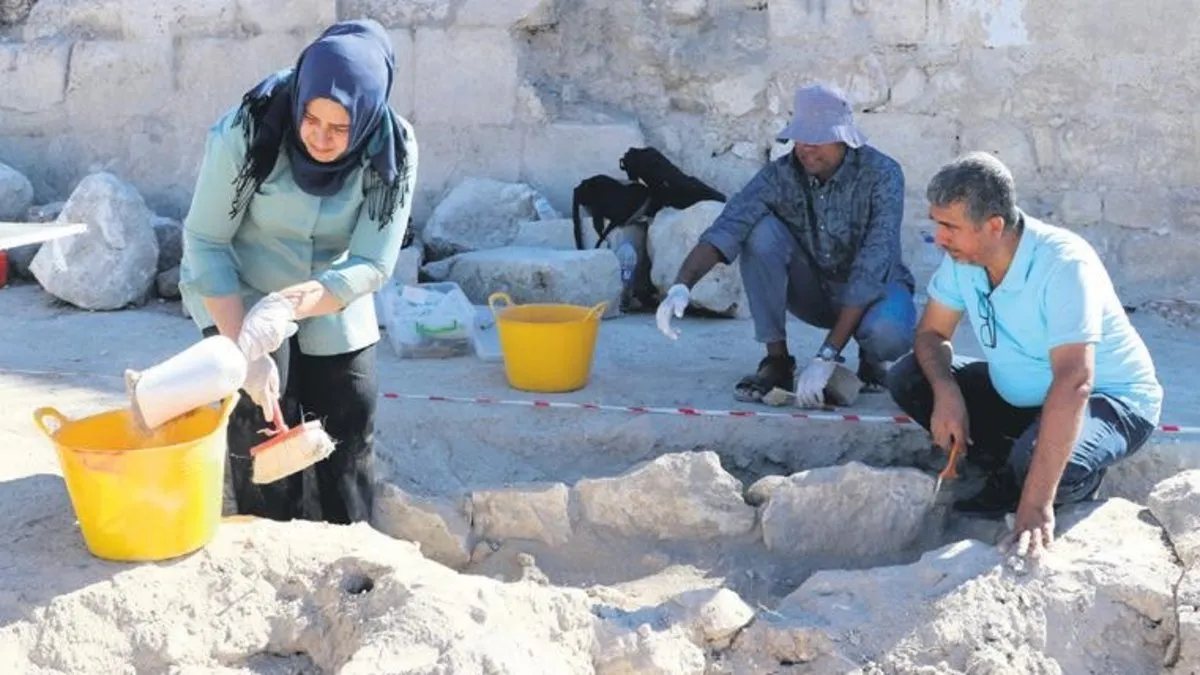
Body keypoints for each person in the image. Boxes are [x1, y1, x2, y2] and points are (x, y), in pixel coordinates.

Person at [178, 19, 418, 525]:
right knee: (260, 410)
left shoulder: (392, 148)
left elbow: (373, 262)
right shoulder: (248, 129)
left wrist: (291, 303)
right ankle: (266, 534)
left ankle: (348, 540)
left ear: (368, 120)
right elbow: (206, 240)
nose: (321, 140)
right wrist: (245, 345)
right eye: (311, 120)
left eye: (340, 129)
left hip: (329, 288)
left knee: (350, 405)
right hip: (237, 279)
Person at [886, 151, 1162, 558]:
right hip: (1025, 395)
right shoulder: (964, 259)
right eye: (937, 225)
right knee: (909, 376)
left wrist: (1034, 508)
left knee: (1043, 466)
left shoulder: (1064, 263)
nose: (939, 239)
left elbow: (1075, 381)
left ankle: (1058, 479)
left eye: (950, 227)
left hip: (1109, 399)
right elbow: (931, 334)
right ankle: (1015, 464)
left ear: (994, 226)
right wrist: (947, 393)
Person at [655, 83, 916, 408]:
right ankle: (777, 361)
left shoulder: (883, 174)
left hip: (875, 291)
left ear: (845, 139)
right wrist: (681, 285)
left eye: (818, 139)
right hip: (814, 291)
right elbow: (728, 225)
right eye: (801, 138)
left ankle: (871, 358)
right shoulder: (779, 175)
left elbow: (872, 266)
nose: (807, 148)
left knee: (888, 332)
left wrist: (826, 356)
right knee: (759, 231)